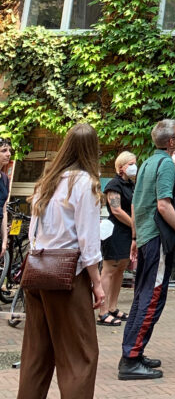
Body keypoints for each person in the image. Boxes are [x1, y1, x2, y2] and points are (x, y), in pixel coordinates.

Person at [17, 123, 104, 399]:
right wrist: (98, 284)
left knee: (36, 354)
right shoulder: (86, 184)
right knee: (81, 356)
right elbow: (87, 240)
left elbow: (33, 231)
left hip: (37, 271)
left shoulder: (46, 182)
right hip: (67, 278)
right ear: (92, 150)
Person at [119, 119, 175, 380]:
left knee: (142, 295)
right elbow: (163, 205)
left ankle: (134, 352)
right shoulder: (167, 164)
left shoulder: (147, 163)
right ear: (171, 142)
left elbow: (137, 203)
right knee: (152, 297)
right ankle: (131, 358)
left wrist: (136, 236)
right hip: (158, 238)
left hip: (146, 236)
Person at [97, 151, 137, 326]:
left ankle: (113, 307)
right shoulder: (114, 185)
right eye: (131, 164)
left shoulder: (131, 185)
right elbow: (116, 210)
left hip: (128, 233)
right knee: (109, 269)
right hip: (115, 232)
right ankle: (102, 312)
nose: (135, 167)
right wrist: (134, 225)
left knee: (121, 269)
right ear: (121, 167)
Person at [0, 137, 12, 258]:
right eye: (3, 150)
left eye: (9, 150)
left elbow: (3, 210)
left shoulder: (4, 179)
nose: (8, 154)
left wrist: (4, 239)